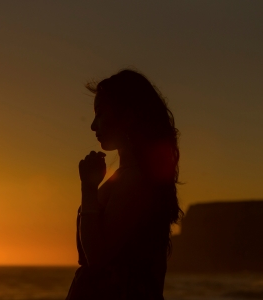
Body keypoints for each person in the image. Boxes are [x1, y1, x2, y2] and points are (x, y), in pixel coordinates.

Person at [66, 70, 183, 299]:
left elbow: (97, 257)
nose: (92, 125)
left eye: (100, 114)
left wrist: (88, 188)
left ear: (128, 116)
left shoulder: (136, 180)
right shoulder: (129, 175)